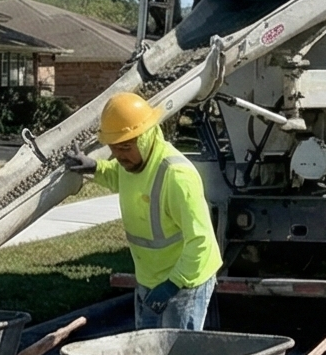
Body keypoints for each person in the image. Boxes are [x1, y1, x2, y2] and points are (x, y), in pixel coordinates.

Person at [78, 91, 221, 331]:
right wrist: (95, 167)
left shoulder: (177, 176)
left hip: (185, 282)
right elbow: (119, 176)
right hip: (150, 279)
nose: (120, 156)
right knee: (146, 349)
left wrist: (173, 284)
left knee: (176, 351)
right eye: (114, 149)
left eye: (126, 147)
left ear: (145, 137)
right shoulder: (133, 163)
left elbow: (201, 241)